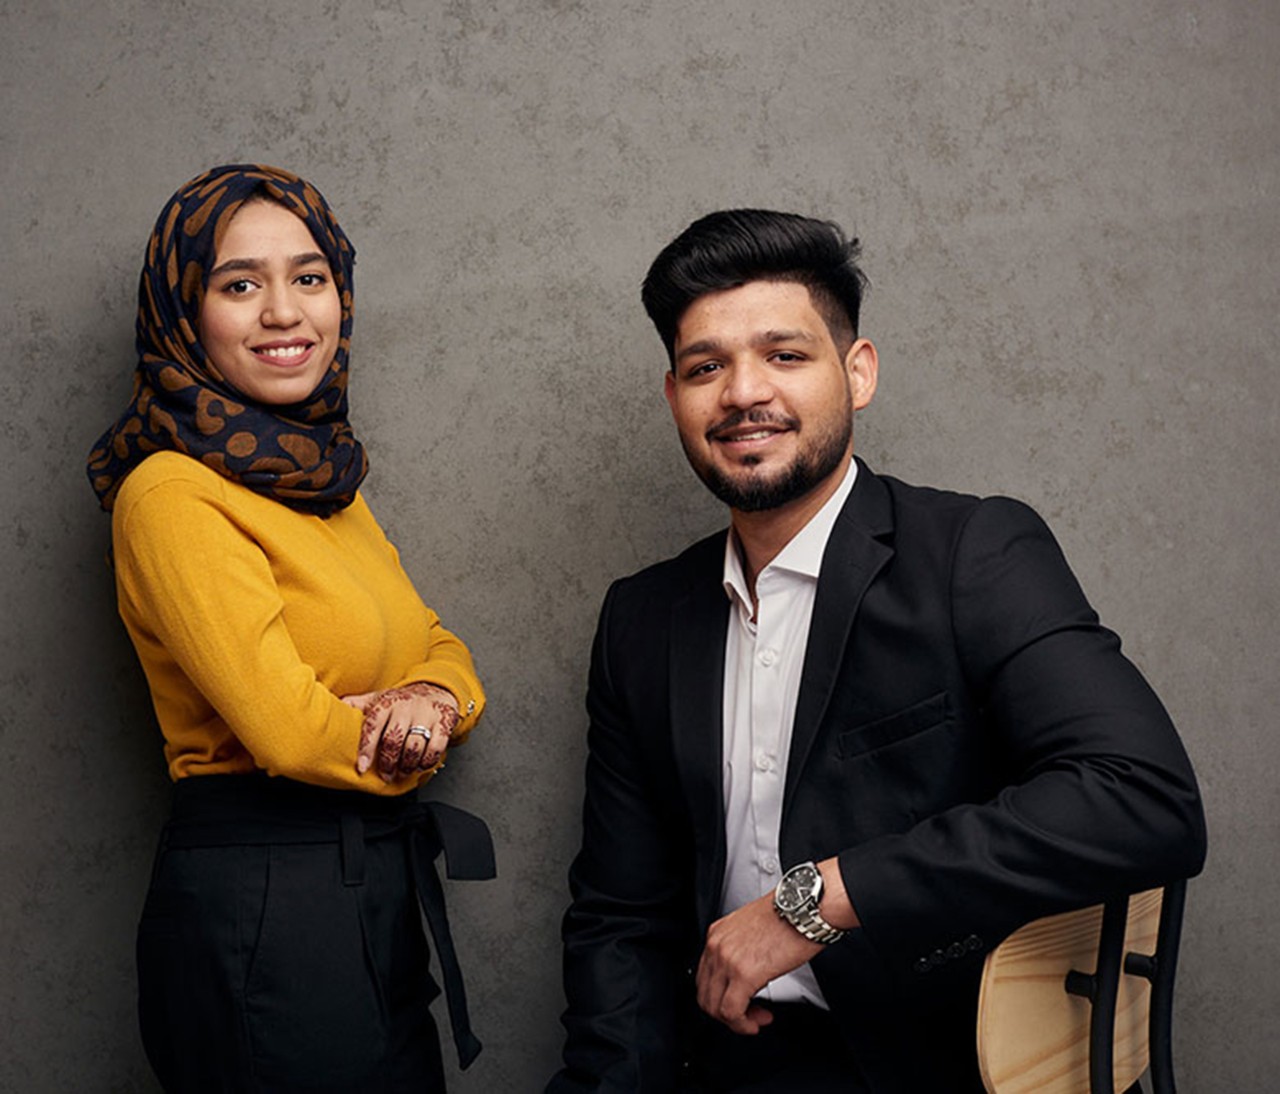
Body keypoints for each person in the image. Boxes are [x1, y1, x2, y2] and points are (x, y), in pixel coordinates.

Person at [548, 209, 1206, 1093]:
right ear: (675, 398)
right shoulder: (642, 618)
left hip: (944, 1064)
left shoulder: (974, 553)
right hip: (724, 1065)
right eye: (707, 367)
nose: (743, 392)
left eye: (785, 355)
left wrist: (818, 901)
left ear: (858, 373)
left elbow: (1144, 798)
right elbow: (620, 920)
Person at [87, 164, 492, 1093]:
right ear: (184, 313)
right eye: (240, 285)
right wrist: (416, 735)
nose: (284, 312)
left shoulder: (325, 485)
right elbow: (288, 731)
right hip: (264, 899)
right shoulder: (171, 492)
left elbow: (440, 645)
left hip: (365, 883)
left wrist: (433, 699)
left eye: (309, 278)